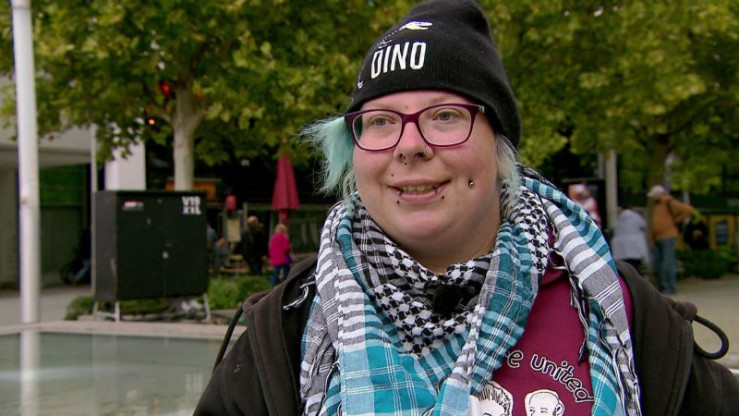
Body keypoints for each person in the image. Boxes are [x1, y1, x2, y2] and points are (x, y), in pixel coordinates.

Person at [195, 1, 739, 415]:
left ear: (499, 150)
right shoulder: (285, 329)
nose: (410, 146)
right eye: (380, 121)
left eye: (445, 116)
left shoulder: (618, 307)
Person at [648, 185, 696, 294]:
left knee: (668, 263)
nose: (653, 197)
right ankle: (662, 286)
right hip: (657, 237)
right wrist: (652, 238)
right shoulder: (657, 206)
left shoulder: (669, 202)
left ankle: (671, 287)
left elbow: (688, 210)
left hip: (668, 236)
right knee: (658, 263)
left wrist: (675, 220)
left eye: (654, 195)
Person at [610, 205, 650, 272]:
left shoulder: (619, 218)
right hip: (634, 248)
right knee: (634, 268)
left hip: (620, 249)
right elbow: (643, 224)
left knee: (624, 269)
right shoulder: (636, 216)